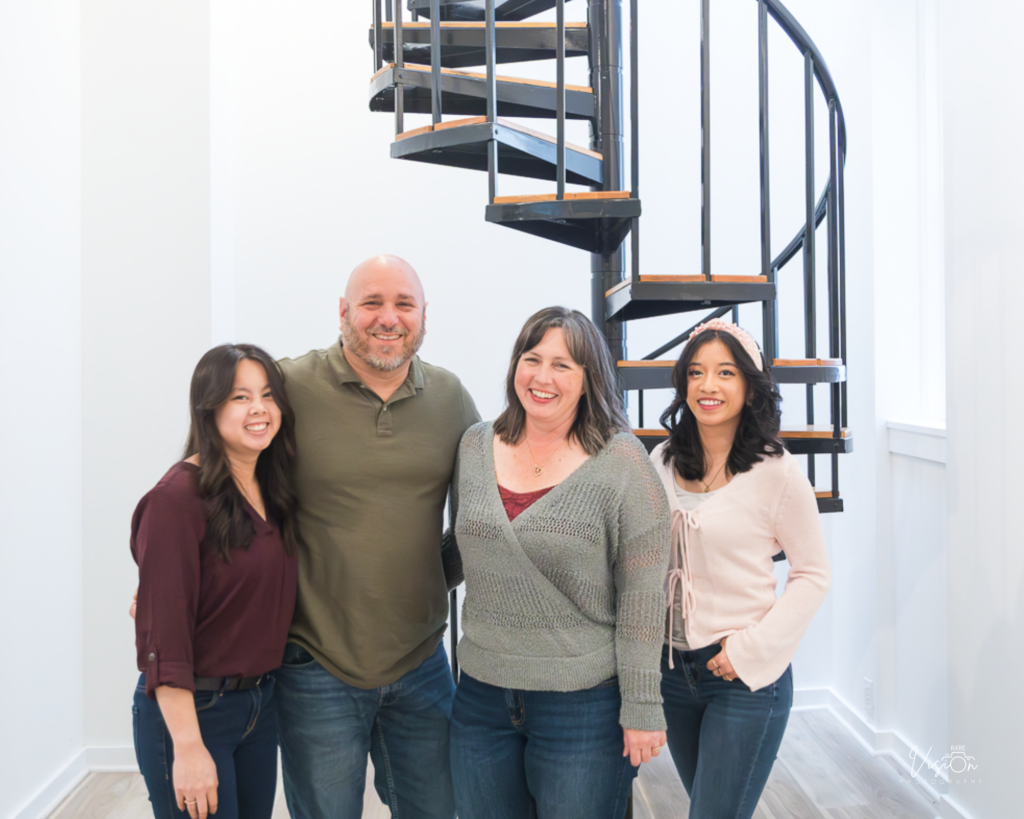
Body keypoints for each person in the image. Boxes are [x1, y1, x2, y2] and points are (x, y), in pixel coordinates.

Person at [273, 255, 480, 819]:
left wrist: (428, 578)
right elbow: (218, 474)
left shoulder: (450, 397)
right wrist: (174, 571)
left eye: (403, 304)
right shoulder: (288, 385)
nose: (388, 318)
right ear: (343, 311)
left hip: (422, 661)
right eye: (372, 303)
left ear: (423, 315)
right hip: (314, 662)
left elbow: (479, 521)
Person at [448, 306, 672, 819]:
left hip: (583, 706)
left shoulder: (622, 463)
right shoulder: (475, 445)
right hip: (480, 696)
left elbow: (642, 596)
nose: (542, 377)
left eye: (562, 365)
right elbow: (465, 548)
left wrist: (642, 705)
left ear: (589, 379)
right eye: (532, 359)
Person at [651, 318, 832, 819]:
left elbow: (814, 574)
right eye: (696, 372)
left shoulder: (778, 471)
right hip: (673, 673)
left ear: (750, 387)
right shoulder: (661, 460)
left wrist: (749, 650)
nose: (707, 385)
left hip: (744, 677)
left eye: (725, 372)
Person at [131, 344, 301, 819]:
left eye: (268, 395)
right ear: (208, 409)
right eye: (240, 397)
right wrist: (188, 748)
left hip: (258, 705)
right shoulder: (175, 499)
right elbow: (164, 639)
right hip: (194, 713)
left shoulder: (271, 487)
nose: (259, 409)